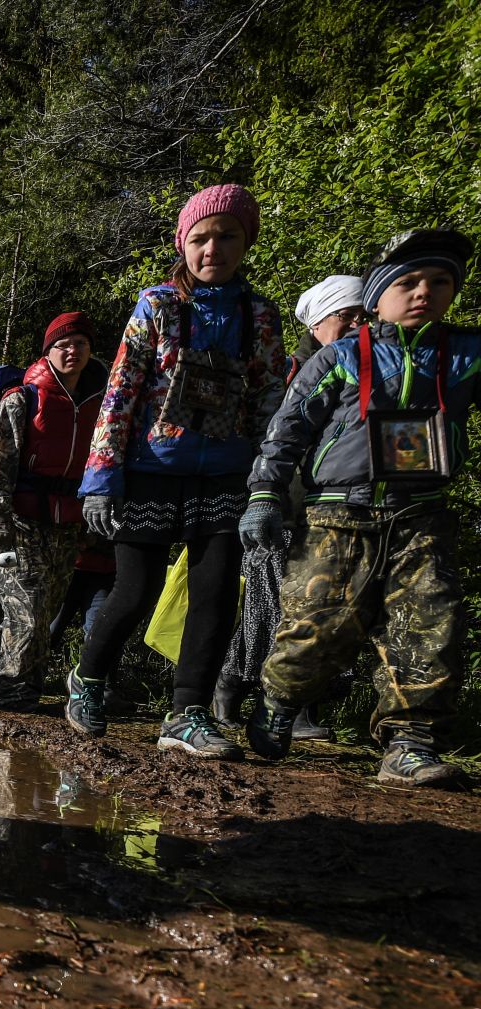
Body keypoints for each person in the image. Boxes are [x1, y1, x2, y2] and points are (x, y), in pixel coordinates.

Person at [245, 229, 479, 788]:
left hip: (420, 515)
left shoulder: (467, 355)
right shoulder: (341, 356)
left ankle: (411, 743)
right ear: (375, 298)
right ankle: (279, 703)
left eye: (439, 282)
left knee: (431, 625)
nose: (424, 291)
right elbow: (287, 430)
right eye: (409, 282)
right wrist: (265, 496)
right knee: (314, 625)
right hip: (336, 516)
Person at [68, 184, 286, 757]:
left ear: (246, 242)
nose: (213, 247)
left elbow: (269, 400)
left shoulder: (260, 315)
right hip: (151, 467)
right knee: (135, 591)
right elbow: (119, 392)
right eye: (201, 238)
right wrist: (101, 476)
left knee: (214, 592)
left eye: (227, 236)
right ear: (183, 245)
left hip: (227, 474)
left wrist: (266, 484)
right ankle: (87, 679)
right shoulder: (158, 305)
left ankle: (187, 713)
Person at [213, 273, 366, 733]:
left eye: (363, 314)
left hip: (334, 508)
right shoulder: (289, 371)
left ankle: (297, 705)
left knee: (322, 608)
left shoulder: (366, 368)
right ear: (319, 321)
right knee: (270, 607)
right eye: (346, 315)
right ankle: (233, 689)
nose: (358, 322)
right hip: (282, 505)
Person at [0, 312, 109, 709]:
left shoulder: (103, 403)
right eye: (63, 345)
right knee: (28, 612)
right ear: (48, 351)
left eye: (80, 344)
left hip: (68, 524)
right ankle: (18, 689)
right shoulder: (21, 399)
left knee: (40, 610)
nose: (73, 351)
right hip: (20, 520)